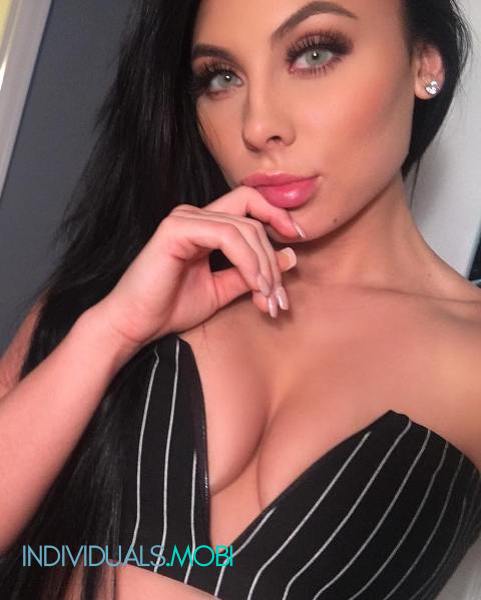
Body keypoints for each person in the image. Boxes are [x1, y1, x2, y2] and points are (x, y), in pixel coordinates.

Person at [0, 0, 480, 598]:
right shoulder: (123, 292)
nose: (258, 125)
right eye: (222, 77)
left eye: (314, 54)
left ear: (424, 63)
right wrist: (113, 332)